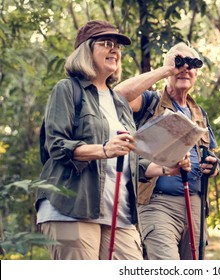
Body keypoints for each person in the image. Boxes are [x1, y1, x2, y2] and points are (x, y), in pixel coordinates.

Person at [35, 20, 143, 260]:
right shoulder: (67, 89)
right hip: (71, 209)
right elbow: (56, 145)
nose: (115, 50)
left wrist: (166, 166)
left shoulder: (120, 103)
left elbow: (129, 160)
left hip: (119, 214)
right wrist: (103, 149)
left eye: (118, 46)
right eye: (107, 44)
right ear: (86, 50)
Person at [114, 42, 220, 260]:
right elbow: (119, 95)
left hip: (195, 203)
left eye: (191, 64)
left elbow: (211, 156)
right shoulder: (150, 101)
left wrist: (214, 167)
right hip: (158, 202)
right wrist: (166, 69)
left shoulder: (198, 112)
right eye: (179, 62)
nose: (185, 69)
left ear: (197, 73)